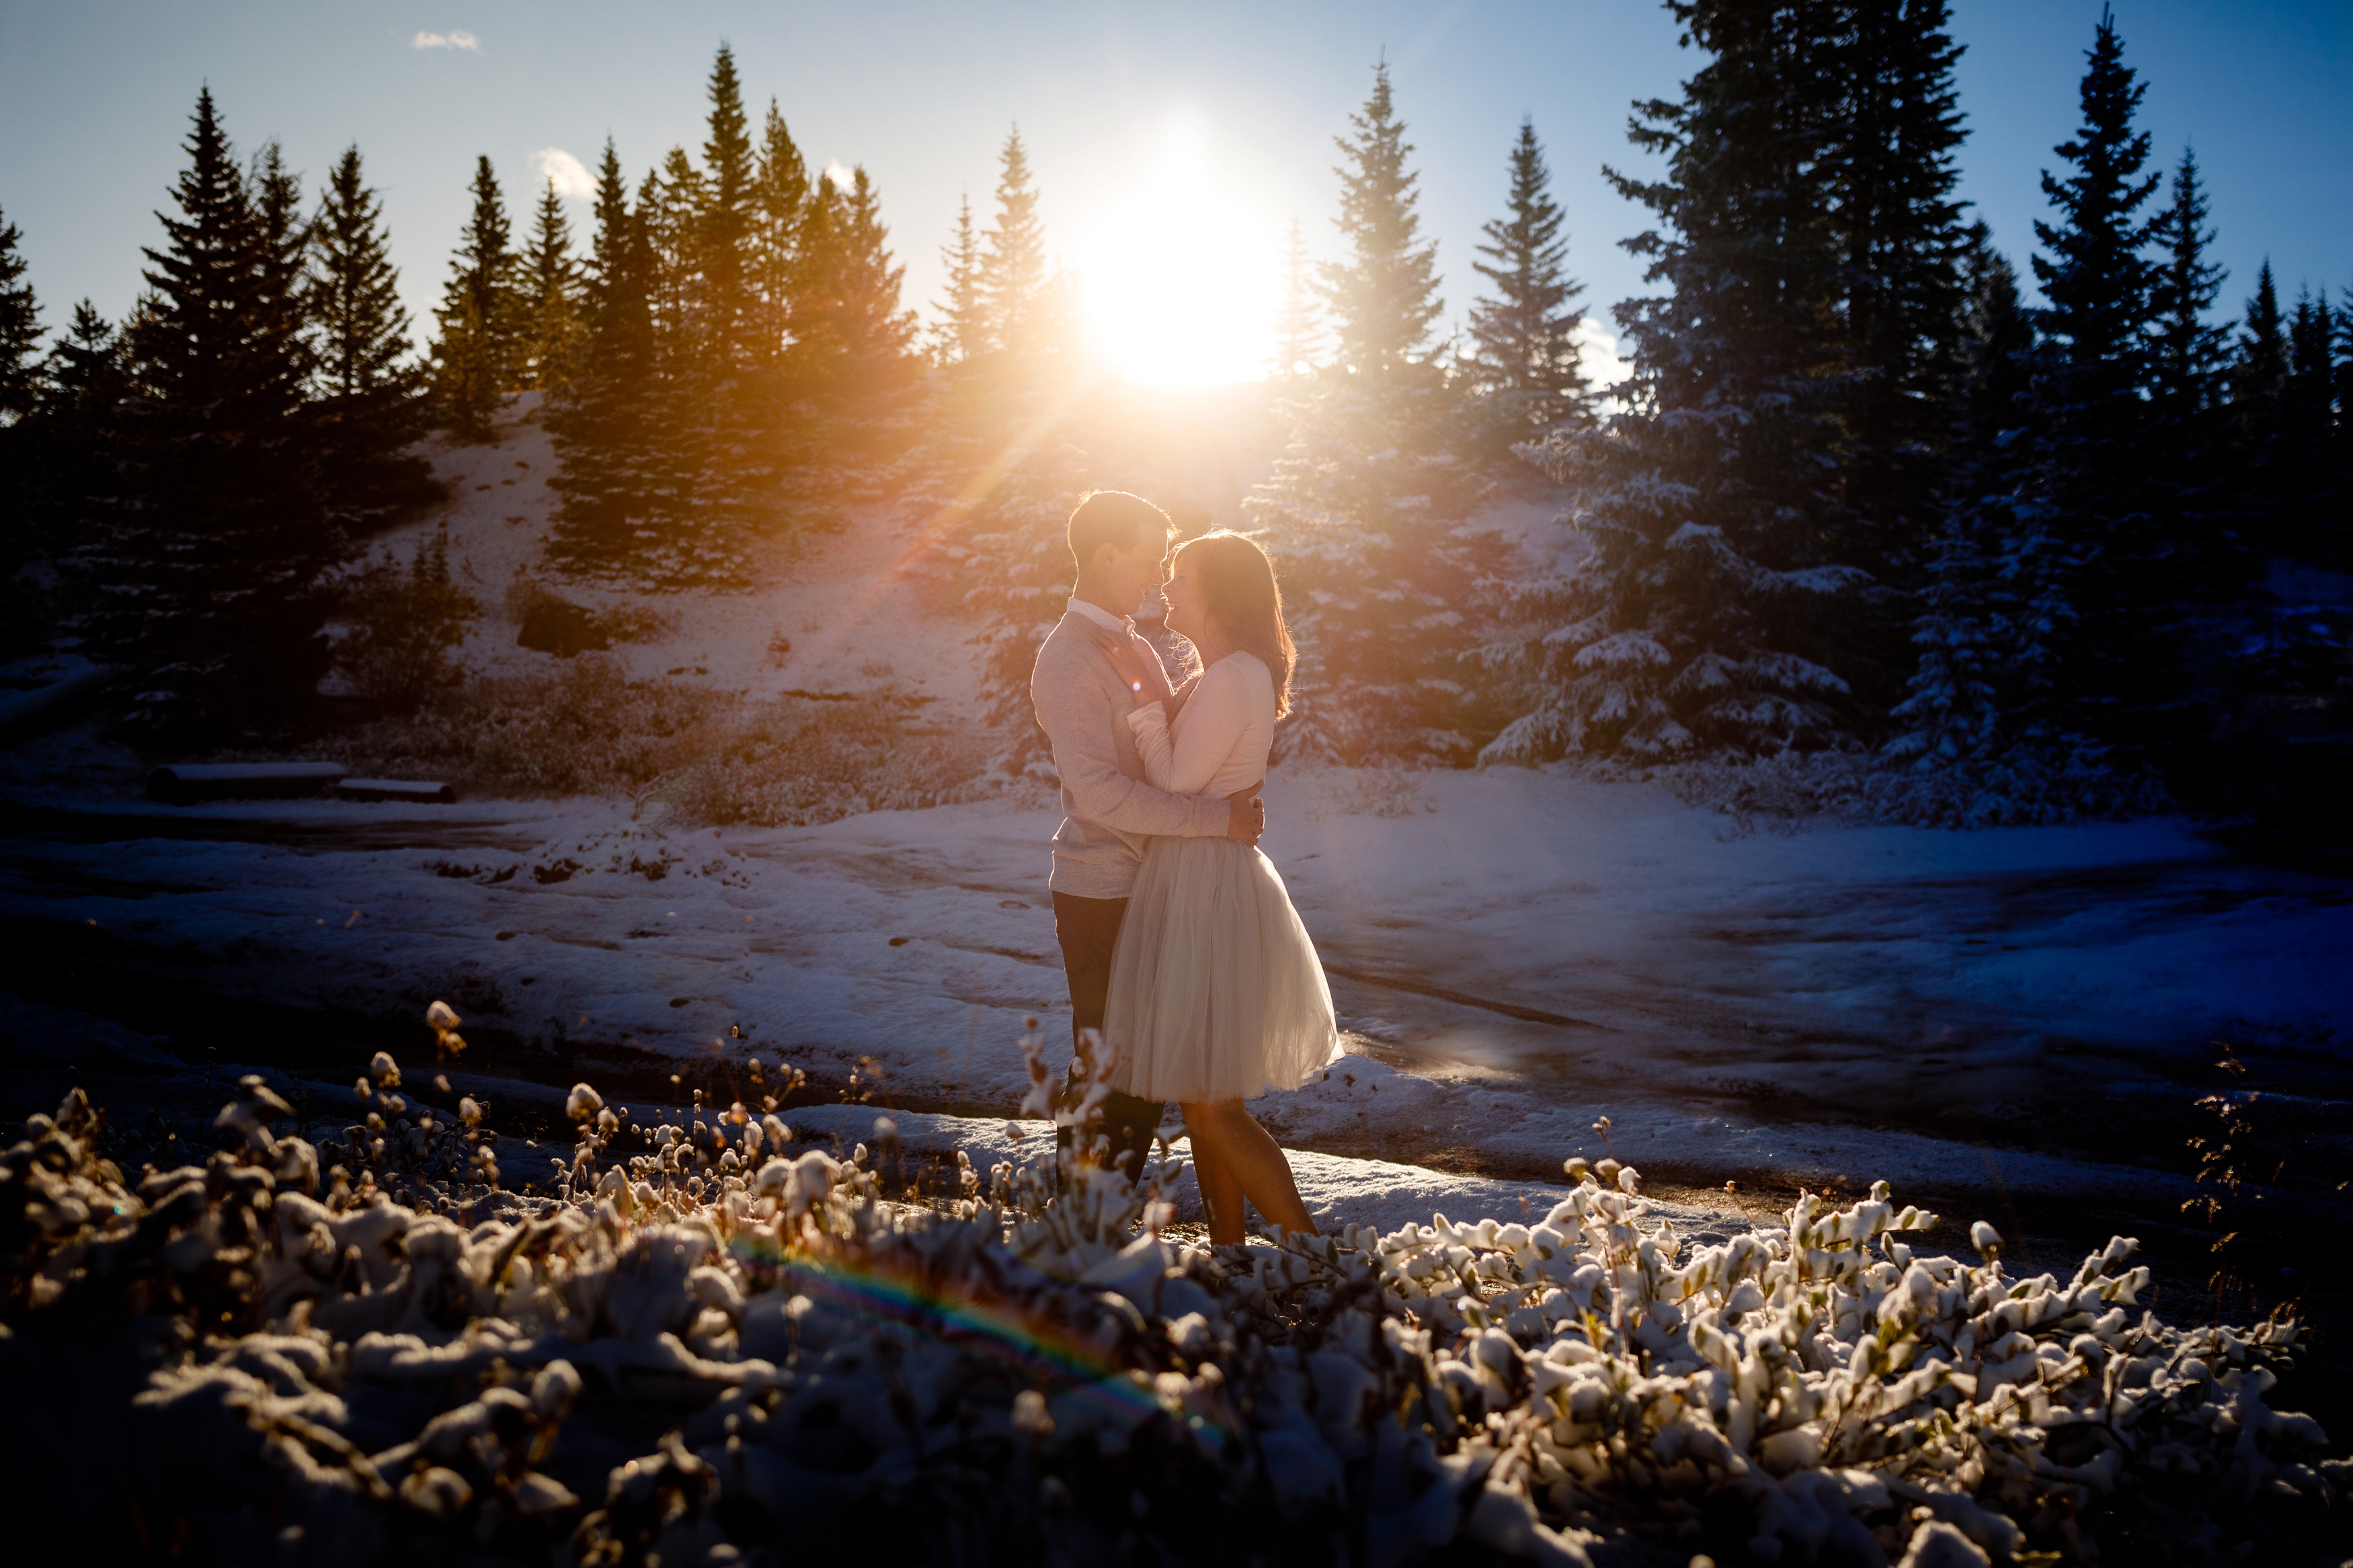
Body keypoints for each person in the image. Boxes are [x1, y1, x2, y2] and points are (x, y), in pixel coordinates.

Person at [1101, 530, 1339, 1244]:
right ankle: (1230, 1256)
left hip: (1206, 883)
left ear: (1217, 589)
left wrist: (1144, 708)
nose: (1166, 585)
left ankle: (1319, 1260)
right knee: (1205, 1095)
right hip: (1200, 876)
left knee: (1211, 1106)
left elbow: (1176, 779)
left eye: (1180, 574)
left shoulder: (1235, 671)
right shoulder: (1222, 671)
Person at [1029, 491, 1267, 1184]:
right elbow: (1101, 792)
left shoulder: (1132, 644)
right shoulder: (1069, 658)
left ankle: (1092, 1237)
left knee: (1144, 1079)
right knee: (1113, 1078)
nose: (1159, 575)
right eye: (1149, 556)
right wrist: (1215, 820)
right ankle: (1080, 1242)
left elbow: (1168, 752)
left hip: (1151, 887)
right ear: (1106, 554)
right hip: (1100, 890)